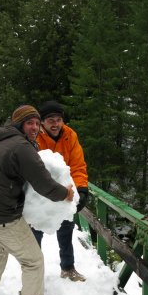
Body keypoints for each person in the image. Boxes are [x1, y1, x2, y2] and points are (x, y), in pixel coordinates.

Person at [0, 104, 74, 295]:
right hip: (1, 215)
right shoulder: (20, 146)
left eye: (37, 123)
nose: (34, 127)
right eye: (29, 122)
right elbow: (43, 184)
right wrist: (66, 194)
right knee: (33, 260)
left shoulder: (3, 143)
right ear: (18, 124)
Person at [33, 100, 88, 282]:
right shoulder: (34, 137)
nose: (55, 124)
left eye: (58, 119)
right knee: (36, 231)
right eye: (50, 120)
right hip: (39, 191)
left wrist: (82, 188)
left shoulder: (70, 135)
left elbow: (78, 165)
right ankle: (35, 272)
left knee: (66, 229)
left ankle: (68, 267)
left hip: (65, 190)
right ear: (42, 122)